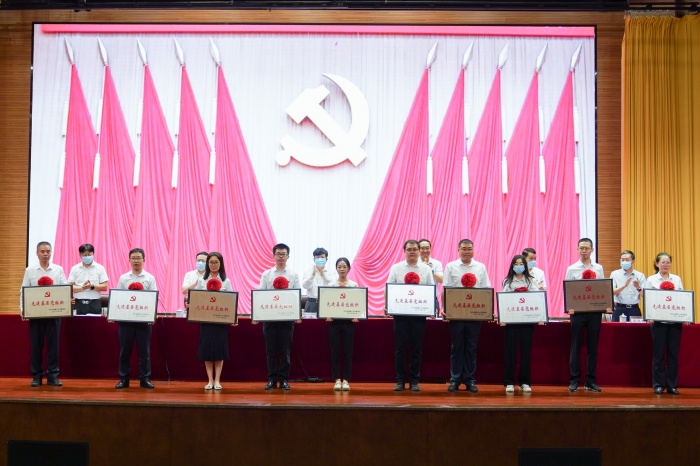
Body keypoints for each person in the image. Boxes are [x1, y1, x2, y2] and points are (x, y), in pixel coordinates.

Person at [442, 239, 490, 393]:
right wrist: (445, 309)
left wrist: (488, 310)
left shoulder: (480, 267)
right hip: (456, 313)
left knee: (471, 347)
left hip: (474, 314)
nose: (467, 251)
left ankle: (469, 379)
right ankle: (455, 379)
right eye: (464, 248)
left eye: (469, 248)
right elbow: (446, 289)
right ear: (458, 250)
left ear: (473, 250)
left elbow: (486, 290)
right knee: (456, 347)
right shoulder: (451, 266)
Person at [387, 239, 435, 392]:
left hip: (418, 315)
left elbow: (431, 289)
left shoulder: (426, 270)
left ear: (419, 251)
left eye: (415, 249)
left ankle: (414, 380)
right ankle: (400, 380)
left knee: (417, 349)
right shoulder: (396, 268)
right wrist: (387, 306)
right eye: (409, 249)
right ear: (404, 251)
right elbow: (389, 288)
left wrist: (432, 308)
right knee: (400, 348)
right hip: (400, 315)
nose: (412, 252)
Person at [565, 237, 611, 393]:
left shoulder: (598, 268)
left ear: (592, 250)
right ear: (577, 250)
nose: (584, 251)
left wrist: (606, 305)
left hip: (594, 313)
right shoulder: (572, 269)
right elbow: (567, 290)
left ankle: (590, 380)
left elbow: (602, 289)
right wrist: (569, 308)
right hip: (577, 313)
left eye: (587, 248)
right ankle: (574, 380)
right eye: (581, 248)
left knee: (593, 347)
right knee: (575, 346)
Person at [20, 241, 68, 387]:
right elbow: (23, 290)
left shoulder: (58, 269)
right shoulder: (30, 270)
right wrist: (23, 309)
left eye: (48, 251)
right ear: (37, 253)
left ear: (51, 253)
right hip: (36, 314)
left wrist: (68, 301)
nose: (46, 254)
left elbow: (65, 289)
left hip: (53, 314)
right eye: (42, 251)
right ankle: (37, 376)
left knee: (53, 347)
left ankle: (53, 376)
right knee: (36, 346)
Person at [257, 243, 301, 391]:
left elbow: (296, 296)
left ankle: (283, 379)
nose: (281, 256)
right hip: (270, 318)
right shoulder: (267, 274)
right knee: (270, 351)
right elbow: (261, 295)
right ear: (273, 256)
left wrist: (297, 314)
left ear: (288, 256)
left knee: (284, 351)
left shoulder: (293, 275)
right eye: (278, 254)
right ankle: (271, 379)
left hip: (286, 319)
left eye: (283, 254)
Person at [115, 248, 157, 389]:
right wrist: (114, 314)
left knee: (144, 352)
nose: (136, 261)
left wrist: (152, 315)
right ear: (129, 260)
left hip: (143, 321)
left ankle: (145, 378)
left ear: (144, 260)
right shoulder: (123, 278)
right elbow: (118, 298)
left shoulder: (149, 278)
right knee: (124, 351)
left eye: (138, 258)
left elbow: (153, 298)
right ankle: (124, 379)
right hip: (126, 321)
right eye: (133, 258)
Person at [500, 255, 541, 393]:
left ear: (525, 266)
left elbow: (537, 298)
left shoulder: (531, 281)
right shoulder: (507, 281)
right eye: (516, 263)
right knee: (510, 352)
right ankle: (509, 382)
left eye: (521, 263)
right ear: (512, 266)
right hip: (511, 321)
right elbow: (503, 301)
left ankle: (525, 382)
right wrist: (502, 318)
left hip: (526, 321)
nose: (519, 266)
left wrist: (540, 316)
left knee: (526, 352)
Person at [645, 252, 684, 395]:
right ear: (657, 264)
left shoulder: (677, 279)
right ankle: (658, 384)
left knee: (673, 354)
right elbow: (648, 298)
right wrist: (649, 315)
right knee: (659, 354)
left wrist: (685, 315)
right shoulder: (651, 279)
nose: (665, 265)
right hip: (658, 322)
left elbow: (682, 298)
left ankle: (672, 385)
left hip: (674, 322)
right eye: (663, 262)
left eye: (668, 262)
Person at [195, 252, 234, 391]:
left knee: (219, 351)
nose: (213, 265)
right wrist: (190, 305)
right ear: (207, 264)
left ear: (220, 264)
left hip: (220, 322)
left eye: (216, 262)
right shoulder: (201, 280)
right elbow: (196, 298)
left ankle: (217, 380)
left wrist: (233, 317)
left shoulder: (226, 281)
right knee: (207, 351)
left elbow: (231, 300)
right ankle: (210, 380)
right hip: (206, 321)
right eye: (211, 262)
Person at [326, 257, 358, 391]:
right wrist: (327, 314)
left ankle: (346, 380)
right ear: (336, 269)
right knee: (335, 351)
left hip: (349, 323)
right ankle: (337, 379)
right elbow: (327, 303)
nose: (342, 269)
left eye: (344, 267)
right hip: (334, 323)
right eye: (339, 267)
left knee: (348, 351)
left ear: (349, 269)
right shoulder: (331, 285)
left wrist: (356, 315)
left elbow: (357, 303)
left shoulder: (354, 285)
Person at [68, 243, 109, 315]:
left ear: (93, 254)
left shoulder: (100, 268)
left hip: (94, 303)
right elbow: (69, 287)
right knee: (77, 322)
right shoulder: (75, 269)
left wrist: (91, 286)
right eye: (85, 255)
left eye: (89, 254)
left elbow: (105, 286)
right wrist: (83, 287)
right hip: (78, 303)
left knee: (94, 322)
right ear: (80, 255)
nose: (87, 257)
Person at [610, 250, 646, 322]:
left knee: (635, 329)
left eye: (627, 260)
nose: (624, 262)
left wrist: (638, 287)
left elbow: (645, 295)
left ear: (633, 261)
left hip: (634, 309)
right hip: (619, 308)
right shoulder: (615, 274)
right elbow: (611, 292)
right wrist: (624, 286)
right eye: (622, 260)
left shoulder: (640, 275)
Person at [301, 247, 334, 319]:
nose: (320, 259)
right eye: (317, 257)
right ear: (314, 259)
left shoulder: (331, 272)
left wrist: (323, 275)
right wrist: (312, 275)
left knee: (325, 324)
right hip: (311, 303)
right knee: (309, 325)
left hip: (326, 303)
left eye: (322, 257)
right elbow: (305, 286)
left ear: (326, 259)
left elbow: (333, 285)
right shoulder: (308, 271)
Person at [419, 239, 444, 313]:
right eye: (422, 248)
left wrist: (430, 270)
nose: (425, 250)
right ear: (418, 249)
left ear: (431, 249)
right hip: (417, 297)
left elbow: (442, 280)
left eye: (427, 248)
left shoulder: (437, 263)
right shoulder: (414, 263)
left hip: (432, 298)